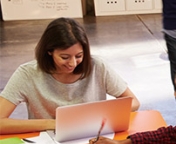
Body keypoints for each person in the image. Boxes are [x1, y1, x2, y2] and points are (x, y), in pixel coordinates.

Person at [0, 17, 139, 135]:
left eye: (79, 56)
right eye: (65, 57)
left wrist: (99, 115)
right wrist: (52, 123)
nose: (73, 63)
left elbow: (134, 102)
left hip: (90, 137)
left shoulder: (97, 66)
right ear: (49, 51)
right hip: (48, 141)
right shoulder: (27, 74)